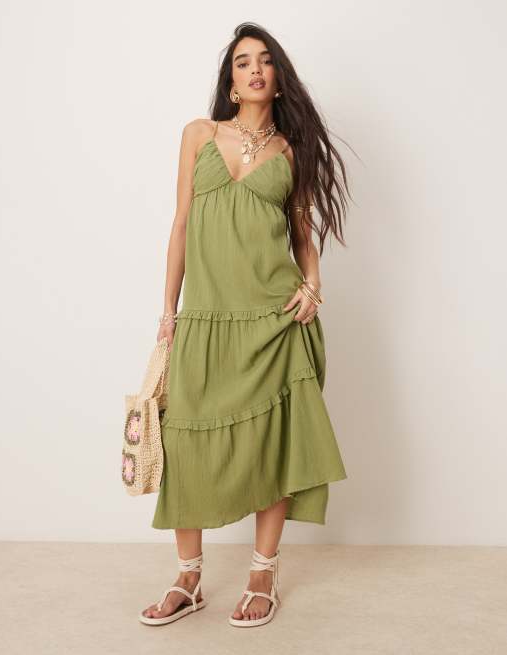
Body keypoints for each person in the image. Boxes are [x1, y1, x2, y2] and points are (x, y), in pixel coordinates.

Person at [139, 21, 353, 628]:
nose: (254, 69)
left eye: (264, 60)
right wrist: (168, 313)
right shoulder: (199, 134)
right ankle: (188, 578)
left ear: (278, 78)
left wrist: (313, 286)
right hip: (206, 317)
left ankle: (263, 573)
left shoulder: (291, 151)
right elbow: (181, 224)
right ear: (231, 80)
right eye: (242, 62)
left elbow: (302, 235)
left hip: (273, 319)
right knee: (186, 442)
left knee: (273, 443)